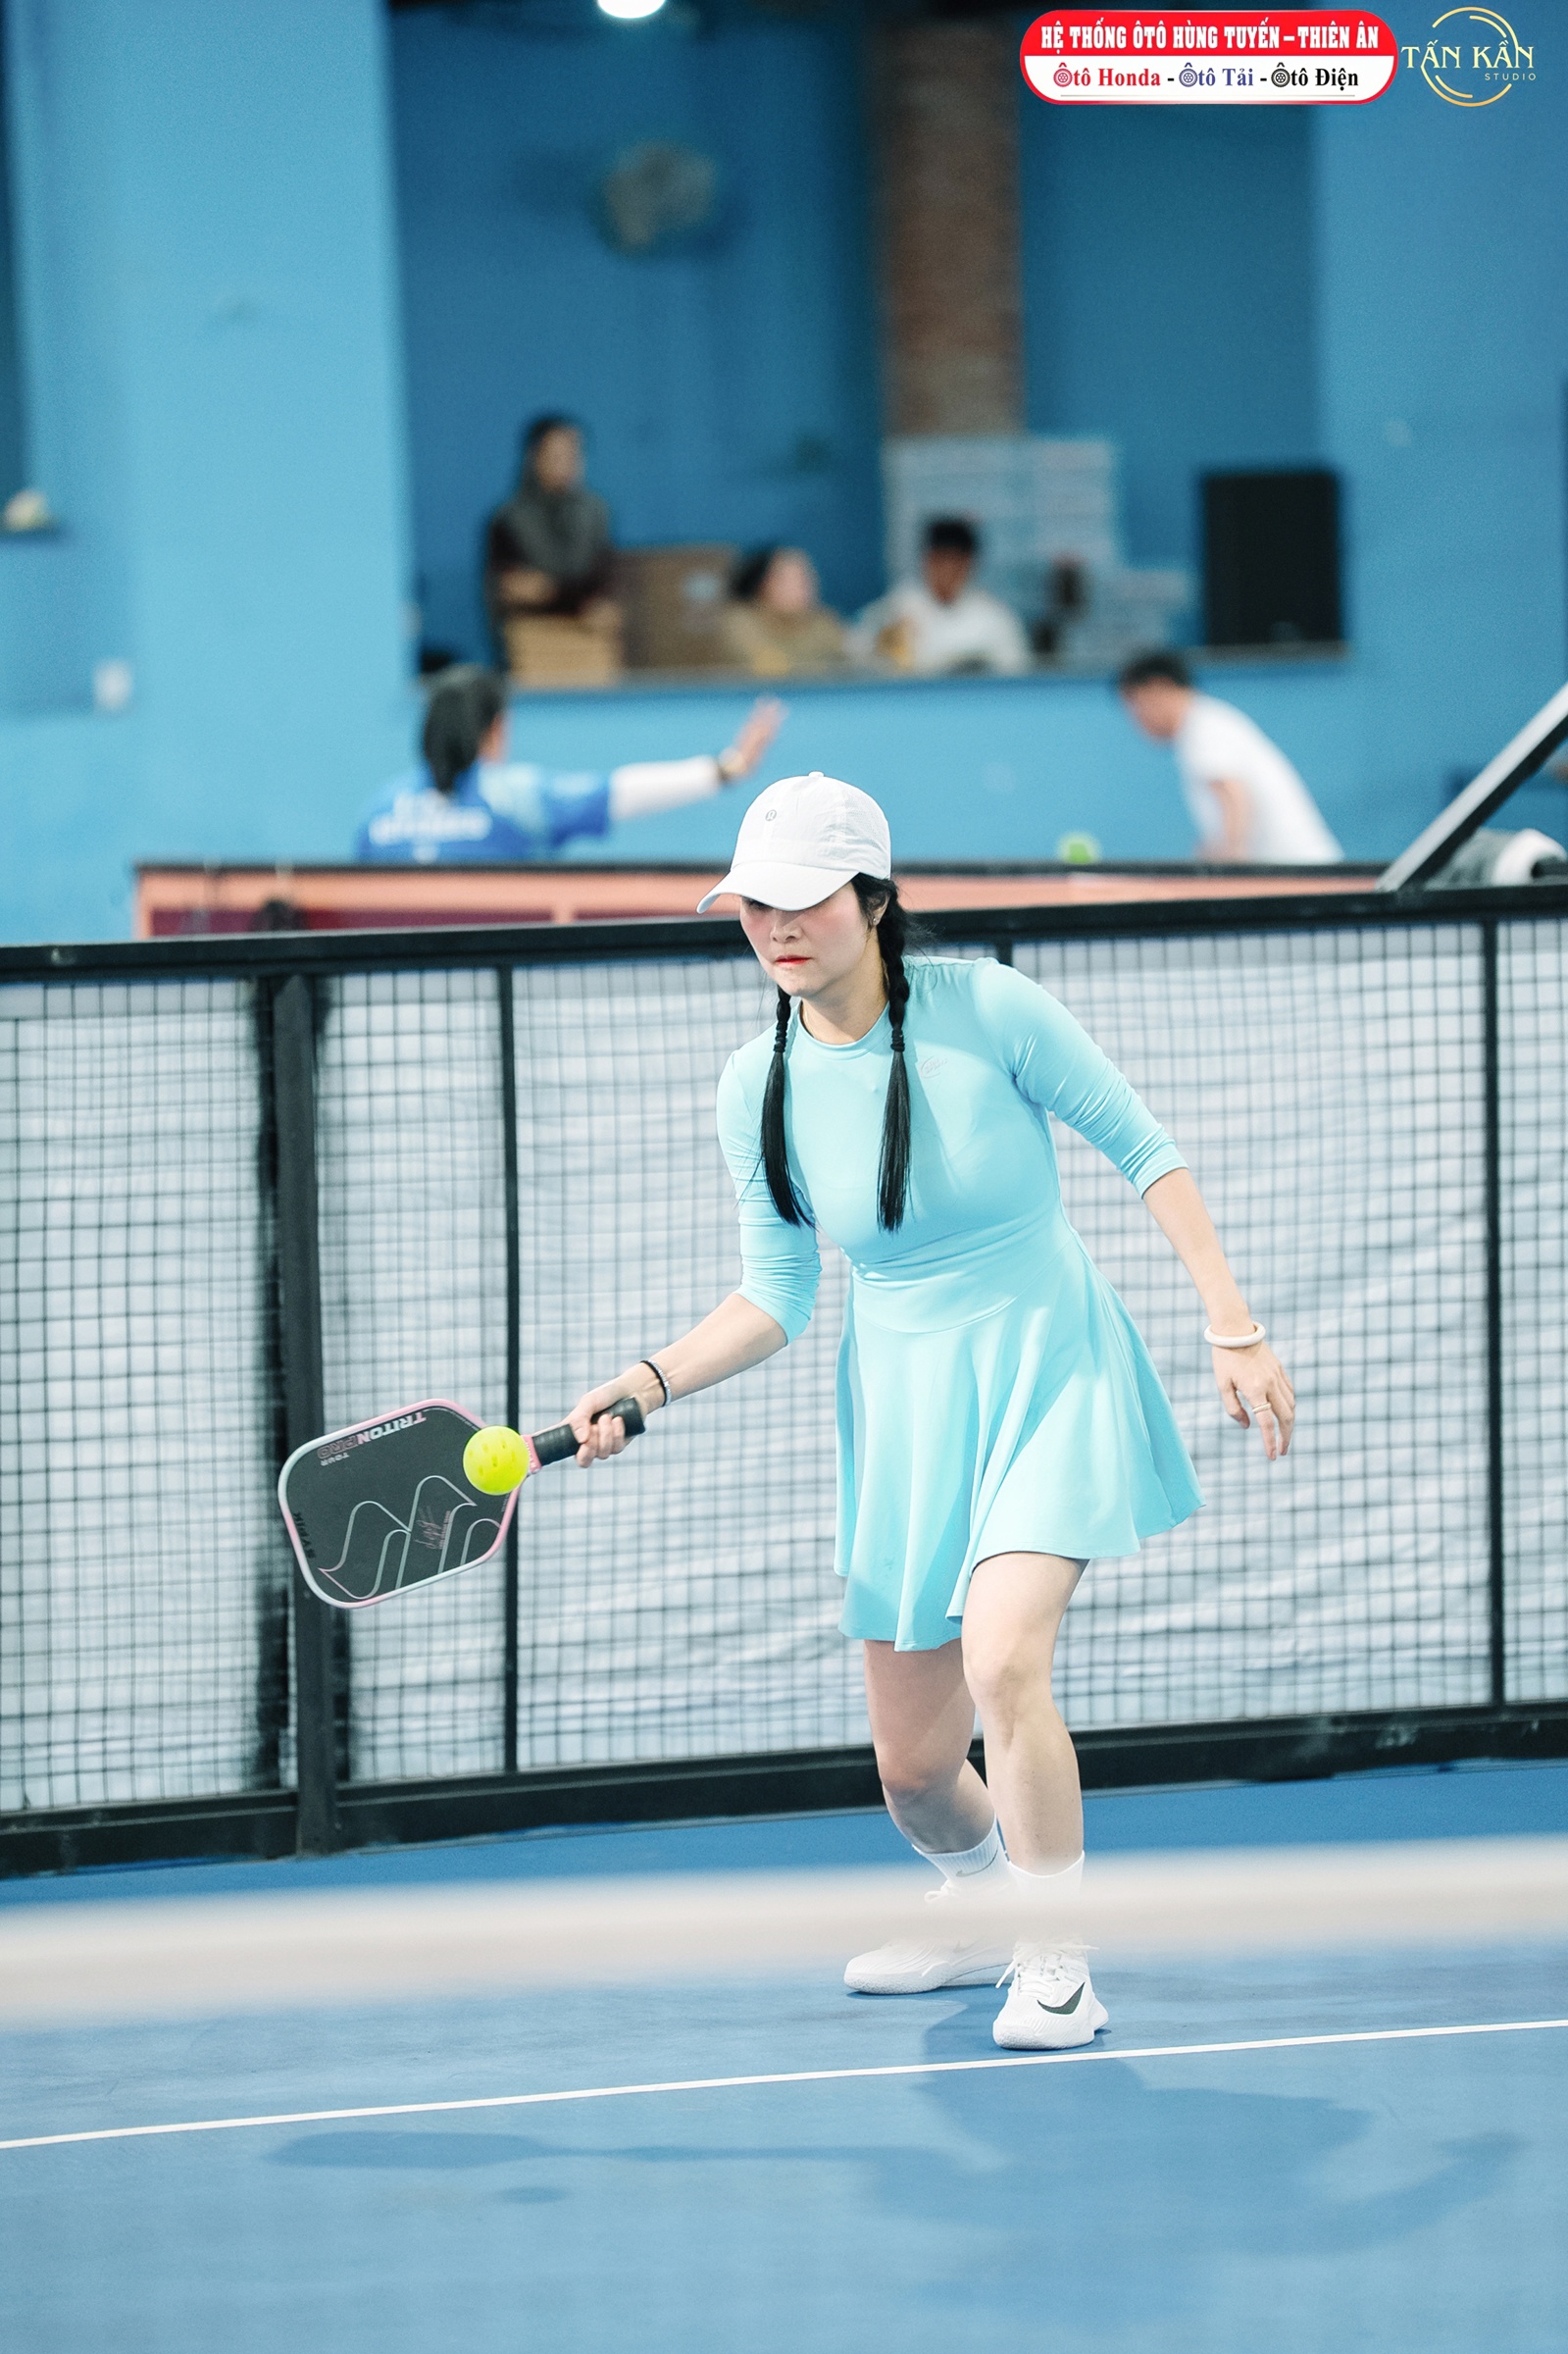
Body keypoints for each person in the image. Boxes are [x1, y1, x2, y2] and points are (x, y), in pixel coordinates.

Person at [562, 771, 1294, 2051]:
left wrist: (1231, 1326)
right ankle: (982, 1902)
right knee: (911, 1774)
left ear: (873, 899)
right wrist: (647, 1380)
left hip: (1047, 1363)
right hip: (905, 1409)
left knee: (1003, 1659)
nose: (775, 928)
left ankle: (1058, 1961)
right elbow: (776, 1294)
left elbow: (1145, 1150)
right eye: (754, 906)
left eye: (802, 901)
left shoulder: (990, 1007)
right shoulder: (756, 1083)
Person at [354, 667, 783, 863]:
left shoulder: (380, 809)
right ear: (497, 728)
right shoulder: (514, 795)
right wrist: (726, 769)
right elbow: (618, 793)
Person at [1118, 650, 1343, 864]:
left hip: (1298, 873)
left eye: (1136, 706)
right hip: (1295, 869)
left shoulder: (1203, 728)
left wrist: (1232, 860)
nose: (1137, 721)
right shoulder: (1206, 723)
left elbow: (1232, 794)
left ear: (1159, 687)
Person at [484, 415, 619, 656]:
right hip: (534, 642)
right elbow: (514, 590)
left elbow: (604, 582)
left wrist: (552, 591)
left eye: (574, 454)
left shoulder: (596, 513)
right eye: (557, 454)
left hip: (589, 639)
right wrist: (571, 597)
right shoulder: (509, 519)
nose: (567, 463)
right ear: (534, 457)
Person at [849, 518, 1031, 677]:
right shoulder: (899, 607)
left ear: (969, 564)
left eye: (954, 562)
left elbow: (1016, 673)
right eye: (938, 560)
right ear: (925, 561)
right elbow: (853, 652)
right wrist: (881, 648)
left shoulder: (994, 617)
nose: (945, 570)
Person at [719, 546, 849, 678]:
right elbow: (768, 667)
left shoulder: (825, 622)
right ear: (763, 584)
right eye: (789, 579)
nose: (802, 586)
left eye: (805, 577)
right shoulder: (739, 622)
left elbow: (849, 665)